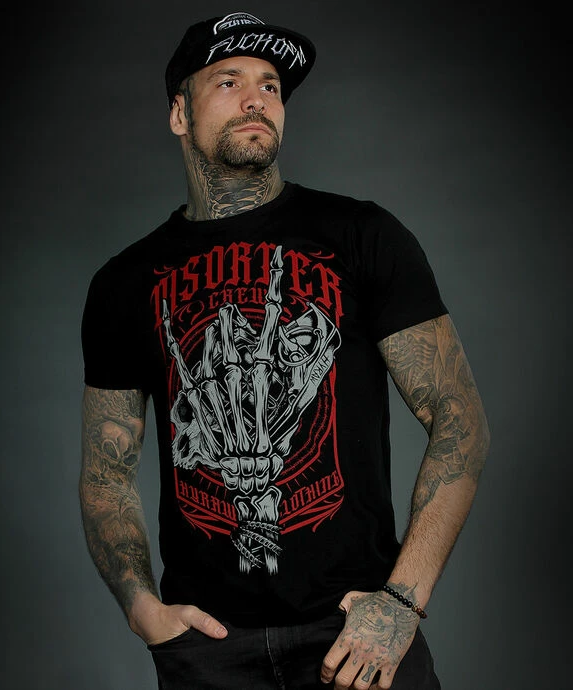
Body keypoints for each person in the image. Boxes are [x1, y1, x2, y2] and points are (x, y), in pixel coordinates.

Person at [79, 11, 490, 690]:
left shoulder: (362, 235)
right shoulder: (125, 283)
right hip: (207, 655)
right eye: (228, 81)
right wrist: (140, 606)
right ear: (179, 113)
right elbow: (106, 471)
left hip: (355, 639)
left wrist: (401, 601)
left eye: (270, 86)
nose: (256, 99)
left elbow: (459, 417)